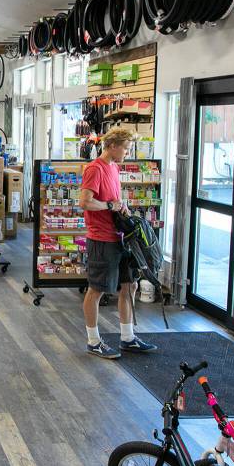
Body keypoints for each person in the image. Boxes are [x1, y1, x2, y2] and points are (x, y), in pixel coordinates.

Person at [78, 127, 158, 359]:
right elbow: (85, 202)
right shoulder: (95, 169)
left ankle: (127, 338)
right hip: (101, 238)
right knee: (97, 290)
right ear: (112, 145)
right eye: (126, 148)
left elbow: (113, 200)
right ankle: (93, 341)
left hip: (121, 238)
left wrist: (121, 206)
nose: (127, 152)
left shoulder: (113, 168)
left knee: (130, 285)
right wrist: (109, 206)